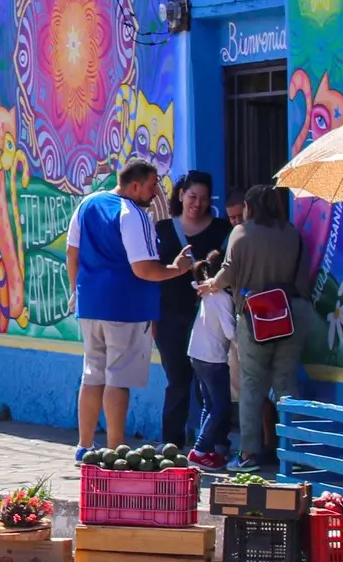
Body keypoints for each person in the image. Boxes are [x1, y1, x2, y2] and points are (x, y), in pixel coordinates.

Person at [65, 160, 196, 461]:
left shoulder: (87, 204)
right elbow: (144, 269)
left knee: (92, 373)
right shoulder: (133, 214)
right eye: (152, 187)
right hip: (126, 308)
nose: (155, 194)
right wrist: (177, 269)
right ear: (134, 186)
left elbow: (72, 253)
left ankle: (85, 445)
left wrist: (77, 292)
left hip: (91, 305)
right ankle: (115, 450)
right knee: (117, 378)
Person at [197, 185, 316, 472]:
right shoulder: (290, 232)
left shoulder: (241, 233)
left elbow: (228, 273)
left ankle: (249, 454)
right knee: (286, 383)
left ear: (249, 208)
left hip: (256, 316)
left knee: (252, 384)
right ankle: (296, 454)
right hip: (292, 312)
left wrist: (210, 285)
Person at [153, 172, 233, 448]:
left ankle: (212, 444)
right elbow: (151, 273)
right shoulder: (162, 229)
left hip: (210, 319)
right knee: (177, 380)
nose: (197, 203)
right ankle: (171, 443)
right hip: (170, 317)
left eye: (203, 198)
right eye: (192, 197)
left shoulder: (223, 231)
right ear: (181, 195)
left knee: (211, 387)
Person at [186, 266, 237, 468]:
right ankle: (199, 451)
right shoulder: (222, 296)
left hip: (197, 354)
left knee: (209, 405)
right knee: (221, 407)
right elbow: (230, 331)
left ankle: (205, 449)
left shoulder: (209, 292)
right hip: (212, 358)